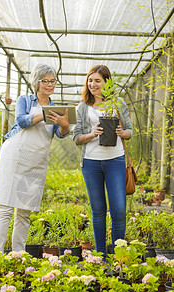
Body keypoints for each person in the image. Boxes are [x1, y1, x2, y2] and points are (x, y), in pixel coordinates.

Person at [0, 64, 69, 254]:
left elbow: (60, 133)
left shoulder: (56, 108)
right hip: (15, 156)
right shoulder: (25, 100)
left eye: (52, 81)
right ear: (37, 82)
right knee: (5, 208)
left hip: (36, 161)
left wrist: (65, 125)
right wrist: (43, 114)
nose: (49, 85)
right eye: (45, 81)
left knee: (24, 211)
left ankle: (19, 256)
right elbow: (21, 121)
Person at [73, 65, 132, 260]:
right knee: (98, 210)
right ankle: (100, 257)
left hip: (115, 160)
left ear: (107, 82)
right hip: (91, 163)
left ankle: (118, 257)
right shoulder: (83, 107)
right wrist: (92, 134)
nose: (92, 84)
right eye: (90, 80)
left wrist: (122, 133)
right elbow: (76, 138)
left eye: (97, 80)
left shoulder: (118, 103)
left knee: (119, 210)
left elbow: (130, 131)